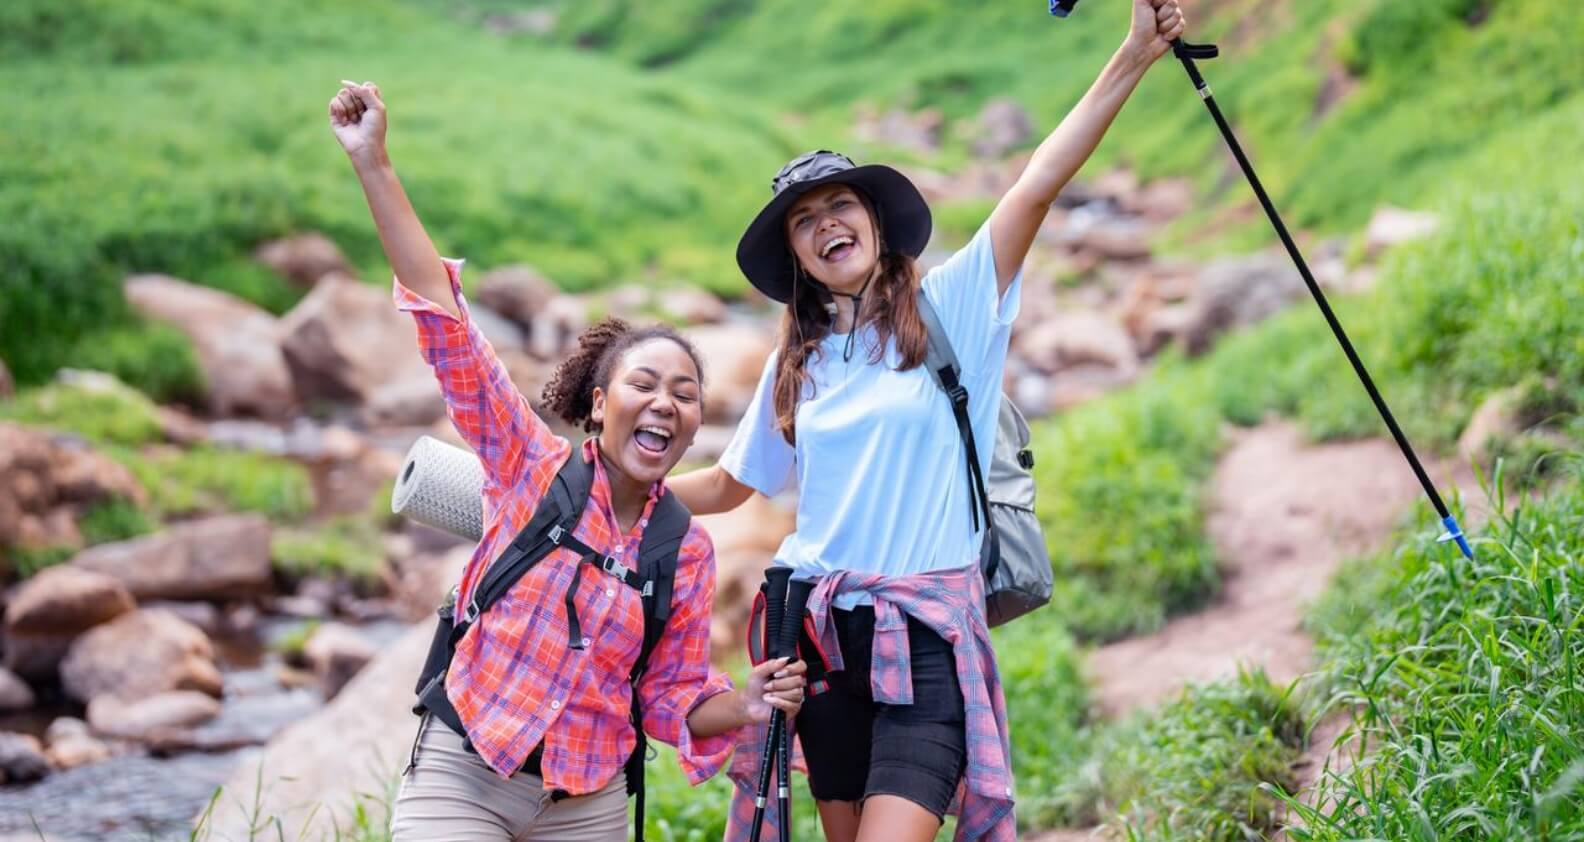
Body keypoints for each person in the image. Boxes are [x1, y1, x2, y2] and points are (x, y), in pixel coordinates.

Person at [666, 2, 1189, 840]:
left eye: (839, 205)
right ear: (797, 259)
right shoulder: (794, 364)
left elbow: (1035, 186)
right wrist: (609, 484)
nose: (825, 223)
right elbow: (731, 486)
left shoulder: (954, 312)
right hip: (817, 640)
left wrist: (1133, 54)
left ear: (873, 221)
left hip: (928, 639)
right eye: (804, 221)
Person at [327, 80, 806, 842]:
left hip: (586, 806)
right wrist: (374, 165)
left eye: (684, 394)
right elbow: (448, 326)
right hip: (466, 773)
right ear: (597, 404)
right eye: (643, 384)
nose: (665, 403)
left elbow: (669, 695)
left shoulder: (682, 550)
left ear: (691, 426)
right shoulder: (528, 465)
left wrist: (749, 702)